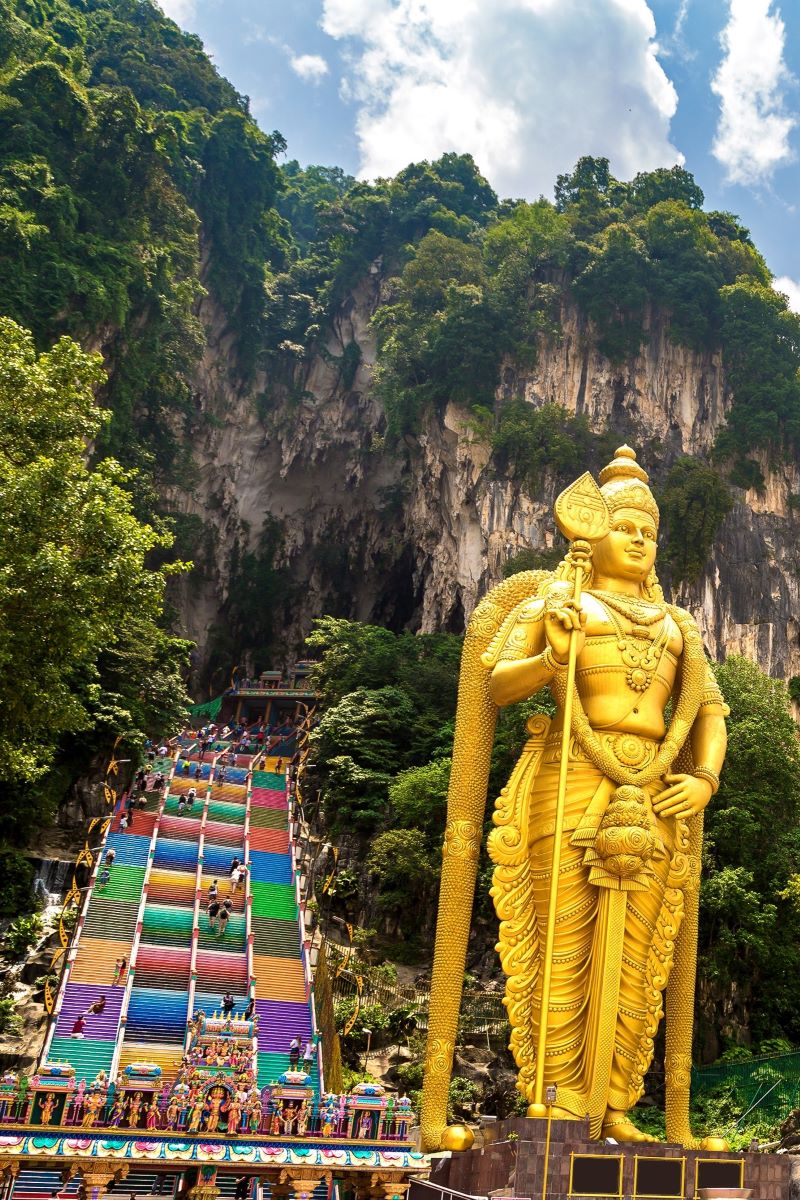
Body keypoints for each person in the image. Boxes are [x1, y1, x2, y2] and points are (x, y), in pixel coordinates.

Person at [423, 446, 729, 1147]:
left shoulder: (680, 626)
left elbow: (708, 711)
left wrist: (703, 778)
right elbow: (495, 683)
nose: (641, 541)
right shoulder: (558, 601)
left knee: (640, 956)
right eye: (627, 527)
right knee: (563, 941)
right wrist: (552, 655)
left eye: (650, 533)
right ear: (591, 534)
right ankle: (558, 1099)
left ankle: (617, 1104)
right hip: (569, 774)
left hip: (654, 791)